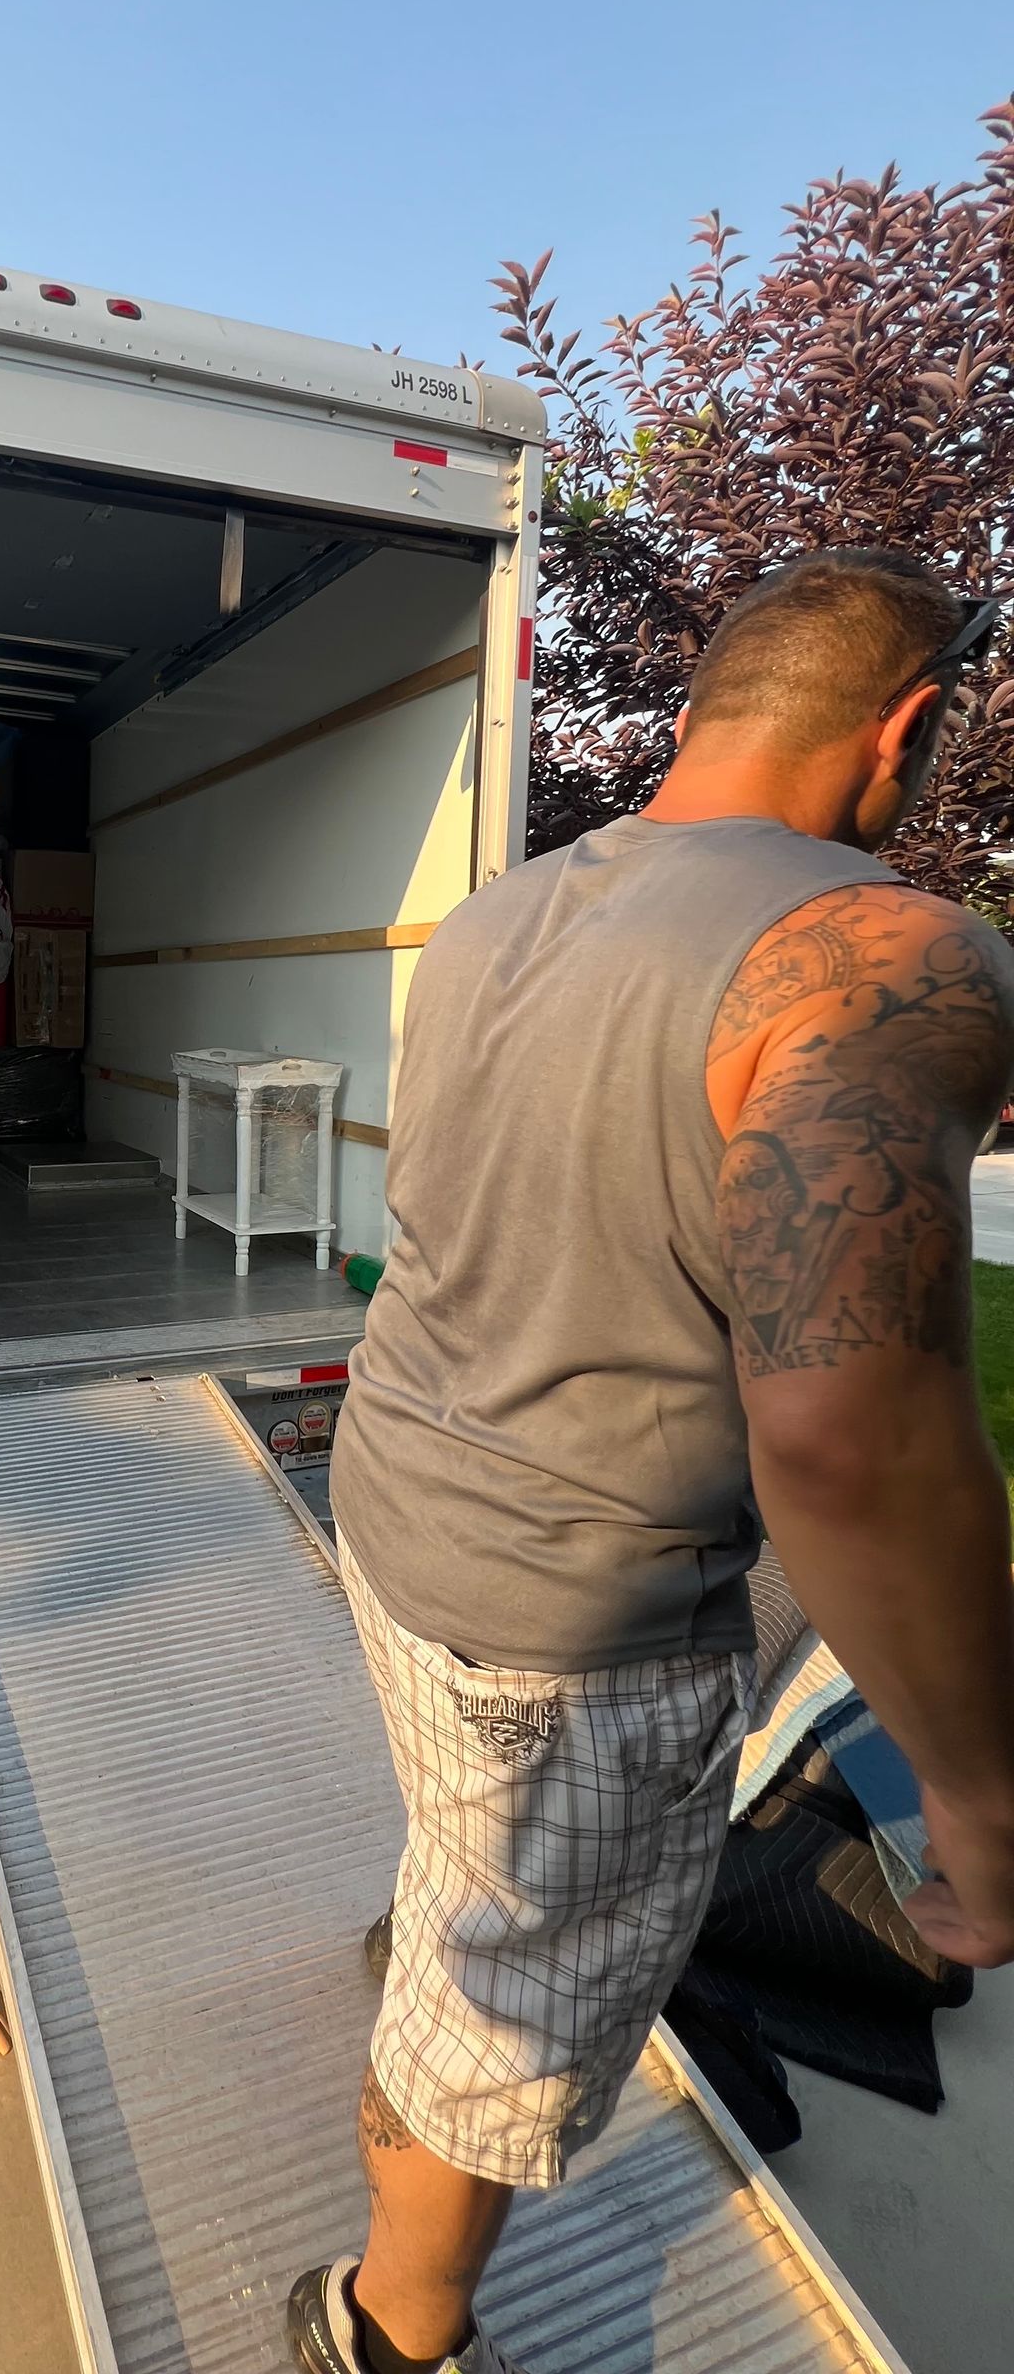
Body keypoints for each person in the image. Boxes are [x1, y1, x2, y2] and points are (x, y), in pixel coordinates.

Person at [288, 550, 1014, 2374]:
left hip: (392, 1503)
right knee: (506, 2037)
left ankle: (441, 1938)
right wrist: (986, 1808)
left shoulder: (501, 915)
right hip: (573, 1621)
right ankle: (389, 2330)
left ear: (694, 719)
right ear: (907, 727)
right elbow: (856, 1436)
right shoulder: (890, 955)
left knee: (468, 1842)